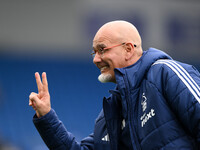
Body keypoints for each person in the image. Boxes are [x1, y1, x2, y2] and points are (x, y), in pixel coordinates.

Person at [29, 20, 200, 150]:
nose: (95, 59)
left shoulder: (165, 73)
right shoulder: (110, 113)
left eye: (102, 50)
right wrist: (46, 116)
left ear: (128, 49)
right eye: (94, 52)